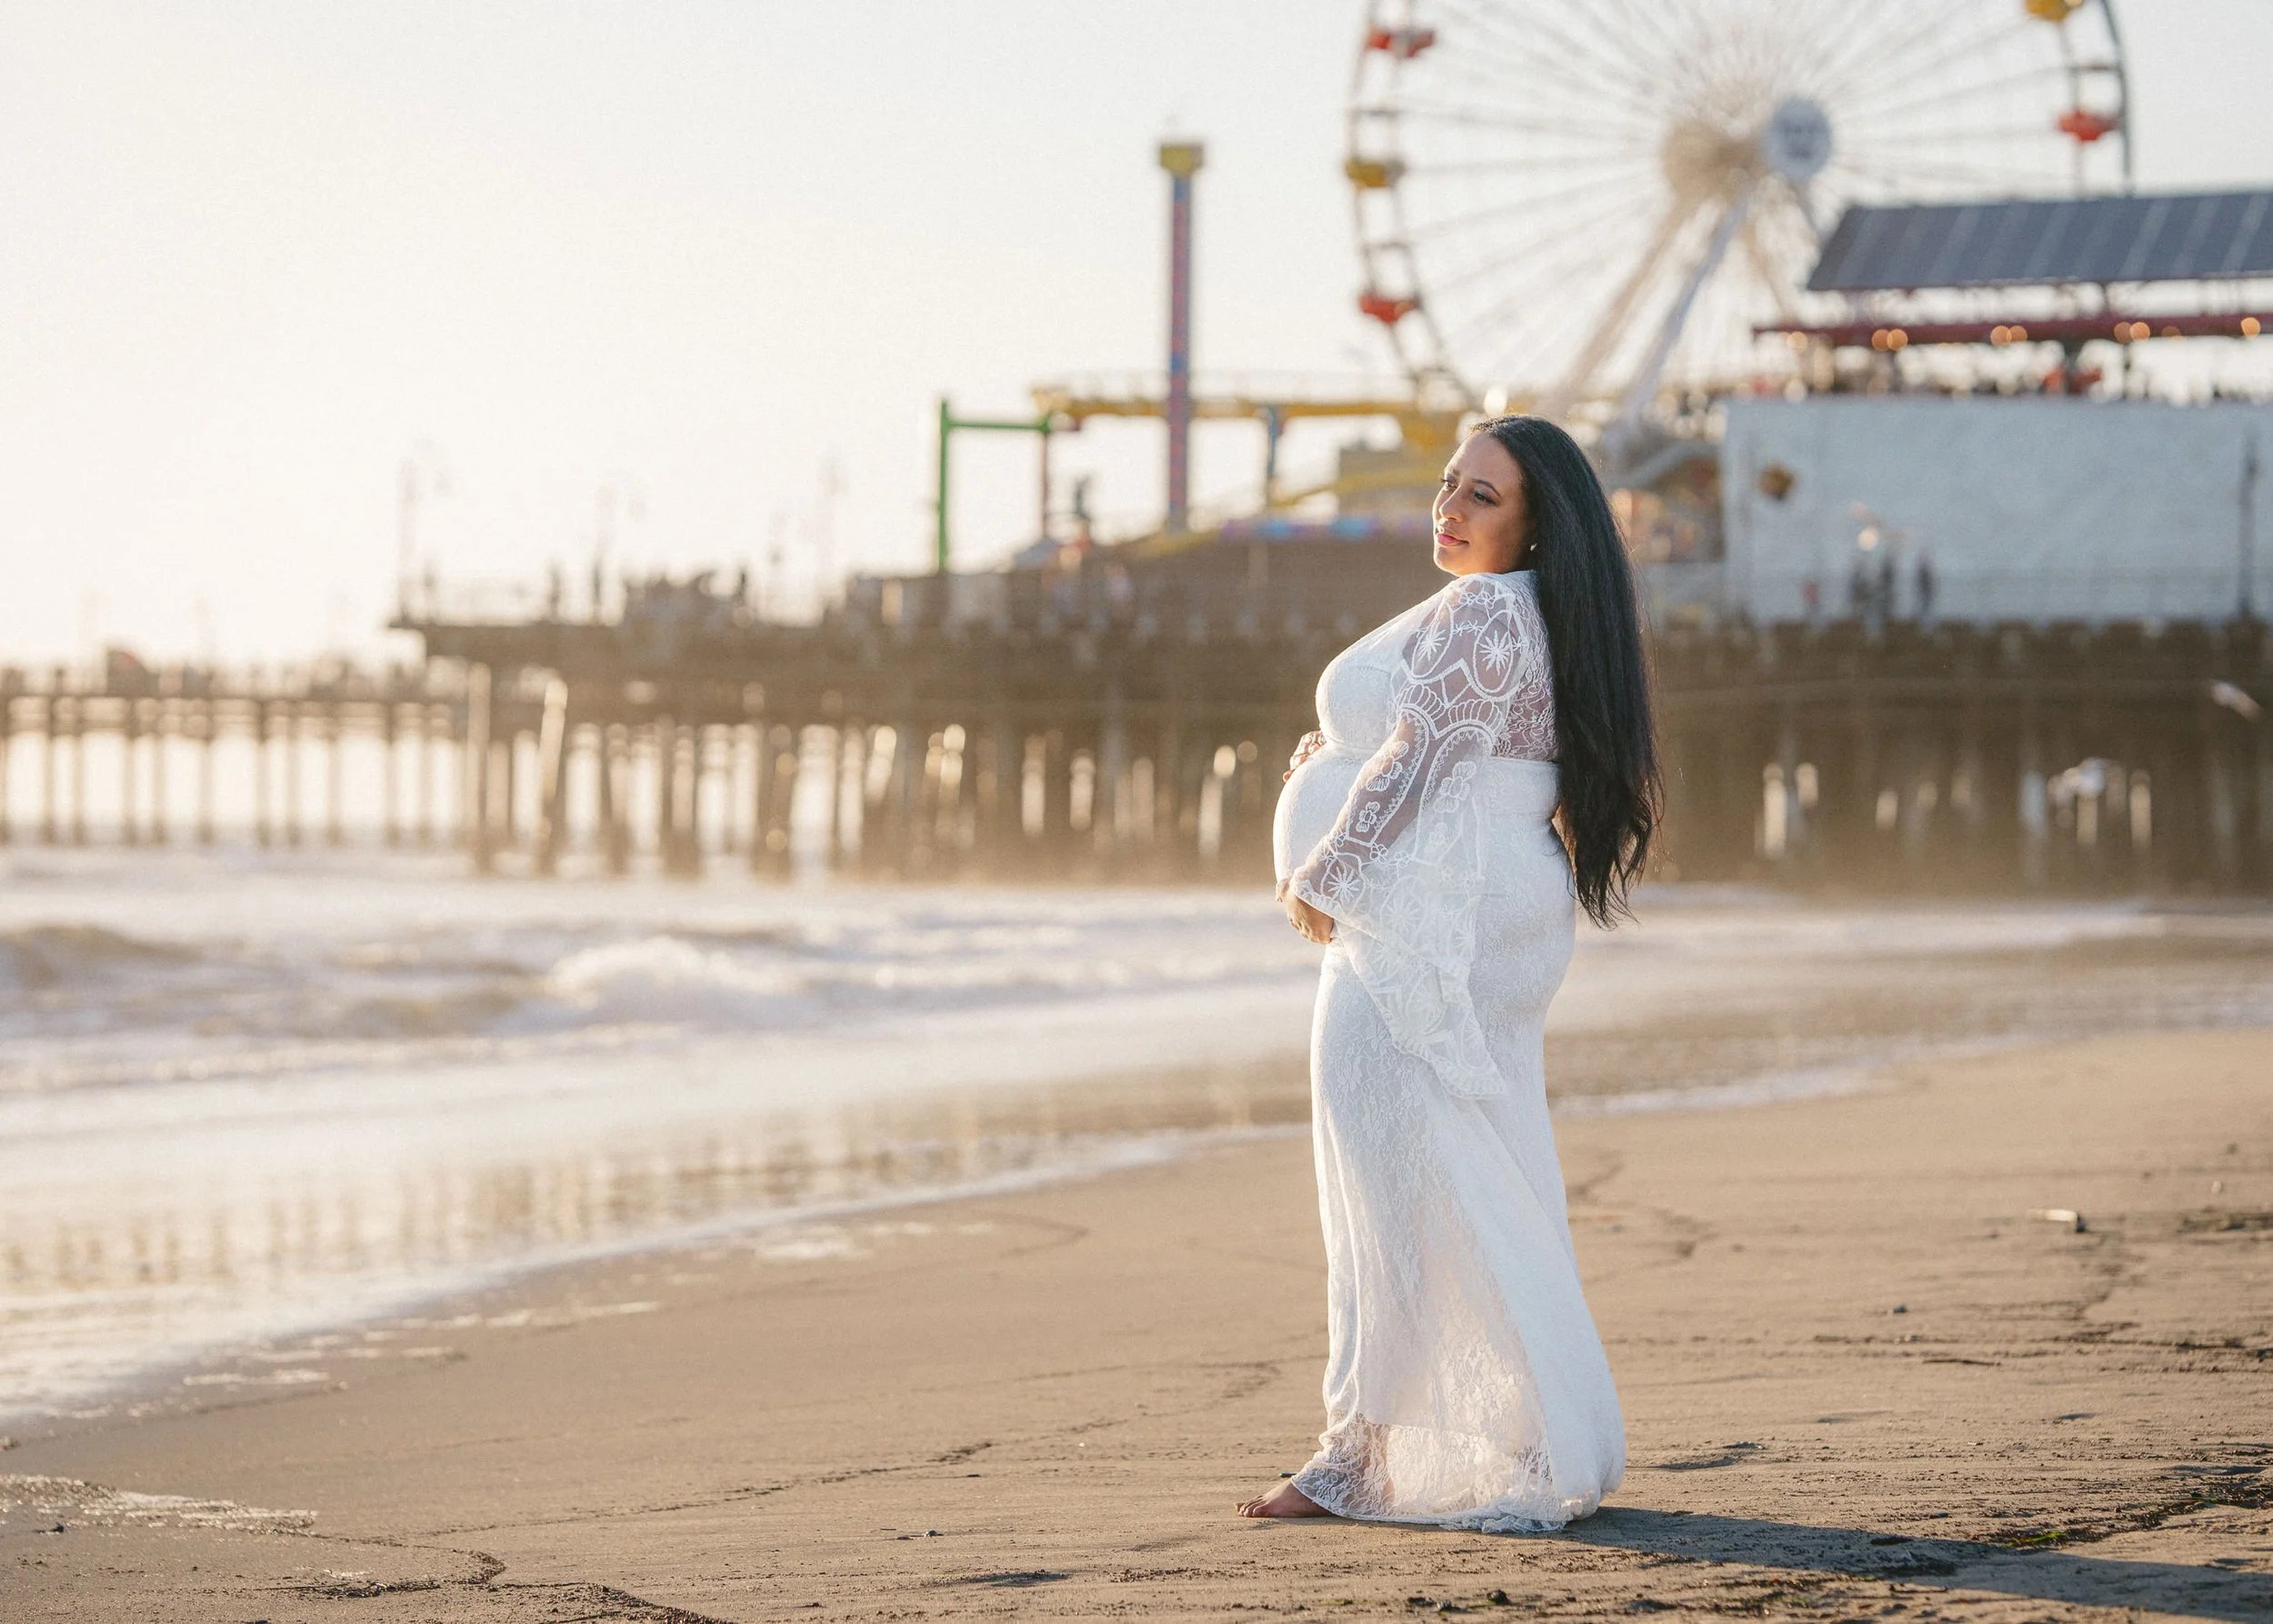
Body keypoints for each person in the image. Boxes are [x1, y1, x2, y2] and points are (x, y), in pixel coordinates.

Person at [1239, 414, 1658, 1532]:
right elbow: (1450, 746)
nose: (1448, 507)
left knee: (1384, 1182)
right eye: (1448, 485)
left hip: (1429, 926)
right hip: (1495, 909)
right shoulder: (1549, 617)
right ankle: (1524, 1425)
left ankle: (1360, 1455)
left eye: (1481, 495)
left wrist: (1324, 869)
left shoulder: (1483, 609)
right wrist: (1332, 769)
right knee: (1482, 1165)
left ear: (1535, 526)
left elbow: (1425, 759)